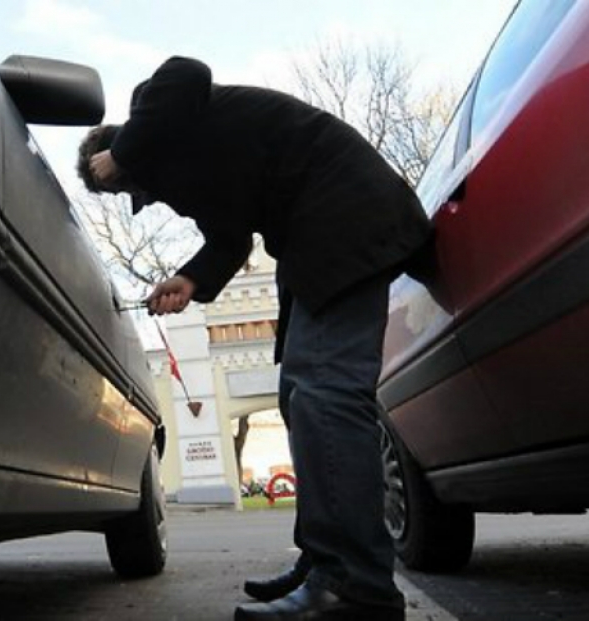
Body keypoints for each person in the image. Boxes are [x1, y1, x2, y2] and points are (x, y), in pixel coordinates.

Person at [78, 56, 430, 621]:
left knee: (325, 395)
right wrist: (189, 281)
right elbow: (229, 237)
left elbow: (187, 71)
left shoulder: (165, 105)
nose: (133, 195)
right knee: (298, 394)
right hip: (310, 239)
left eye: (120, 186)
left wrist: (118, 155)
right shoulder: (179, 163)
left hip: (346, 213)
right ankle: (322, 561)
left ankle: (356, 585)